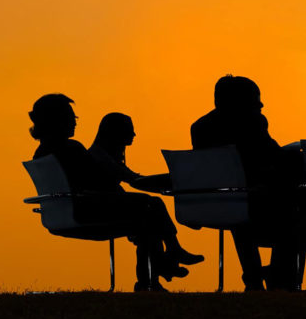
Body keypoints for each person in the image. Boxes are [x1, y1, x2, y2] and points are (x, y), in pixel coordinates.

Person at [28, 94, 201, 291]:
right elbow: (96, 180)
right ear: (56, 120)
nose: (75, 122)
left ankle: (157, 272)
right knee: (151, 205)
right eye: (70, 117)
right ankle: (164, 261)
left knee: (147, 218)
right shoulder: (70, 148)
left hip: (67, 213)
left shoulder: (42, 152)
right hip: (86, 211)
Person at [191, 75, 306, 291]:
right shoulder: (251, 121)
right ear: (241, 102)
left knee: (247, 214)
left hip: (216, 201)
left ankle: (257, 277)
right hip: (257, 199)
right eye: (256, 99)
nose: (261, 104)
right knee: (296, 205)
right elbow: (269, 154)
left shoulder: (200, 127)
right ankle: (281, 277)